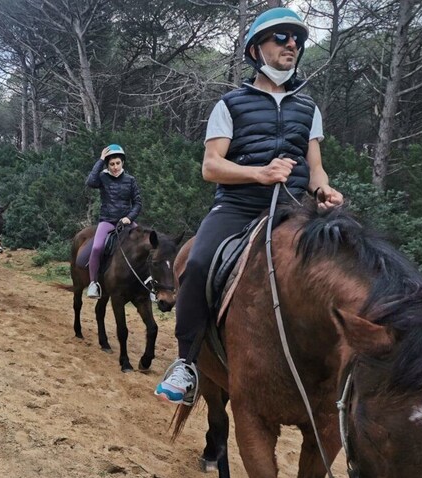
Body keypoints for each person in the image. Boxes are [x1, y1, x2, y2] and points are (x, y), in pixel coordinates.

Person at [154, 7, 344, 405]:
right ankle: (186, 364)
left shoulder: (308, 108)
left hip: (295, 210)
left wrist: (325, 190)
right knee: (199, 264)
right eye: (282, 38)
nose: (292, 44)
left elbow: (316, 170)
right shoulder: (230, 104)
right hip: (238, 208)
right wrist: (260, 173)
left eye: (297, 40)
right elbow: (211, 166)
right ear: (257, 49)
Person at [84, 144, 142, 299]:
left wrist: (129, 217)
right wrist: (101, 159)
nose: (115, 167)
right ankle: (93, 284)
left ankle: (147, 285)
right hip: (107, 221)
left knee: (145, 245)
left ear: (122, 163)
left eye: (118, 163)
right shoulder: (102, 178)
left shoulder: (131, 180)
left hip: (127, 222)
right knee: (96, 248)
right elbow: (90, 182)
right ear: (107, 165)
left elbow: (137, 203)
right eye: (111, 164)